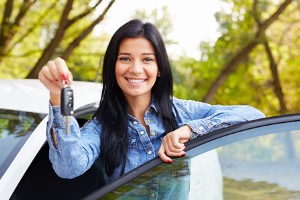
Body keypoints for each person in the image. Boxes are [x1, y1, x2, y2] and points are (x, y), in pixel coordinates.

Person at [38, 19, 265, 184]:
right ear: (113, 67)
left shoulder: (182, 112)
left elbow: (253, 115)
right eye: (125, 58)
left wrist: (187, 130)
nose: (136, 69)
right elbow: (69, 167)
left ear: (158, 70)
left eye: (147, 59)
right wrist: (60, 98)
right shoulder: (101, 126)